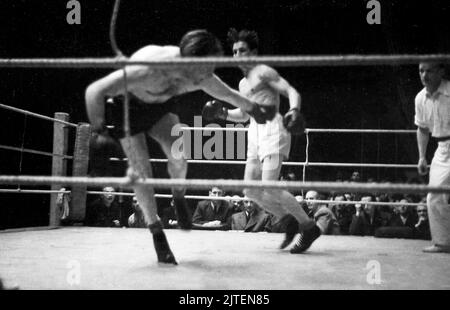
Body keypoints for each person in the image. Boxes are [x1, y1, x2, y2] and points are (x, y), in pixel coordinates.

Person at [85, 30, 275, 264]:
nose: (208, 74)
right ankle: (157, 234)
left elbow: (227, 93)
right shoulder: (148, 68)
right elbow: (94, 91)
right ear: (188, 63)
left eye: (211, 67)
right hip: (128, 111)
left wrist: (255, 109)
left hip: (160, 108)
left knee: (179, 154)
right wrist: (99, 130)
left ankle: (178, 195)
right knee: (143, 176)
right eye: (204, 69)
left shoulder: (202, 74)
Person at [202, 28, 316, 252]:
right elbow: (244, 114)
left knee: (269, 187)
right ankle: (288, 220)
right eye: (234, 51)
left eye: (242, 50)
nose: (237, 55)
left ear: (253, 52)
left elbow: (293, 92)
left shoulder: (264, 71)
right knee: (250, 191)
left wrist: (294, 111)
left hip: (273, 130)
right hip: (254, 132)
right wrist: (223, 114)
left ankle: (308, 226)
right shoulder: (244, 84)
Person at [415, 62, 450, 253]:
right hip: (443, 148)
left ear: (441, 72)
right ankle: (443, 242)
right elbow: (422, 129)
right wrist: (422, 156)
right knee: (434, 196)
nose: (424, 75)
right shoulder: (420, 98)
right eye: (421, 70)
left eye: (429, 70)